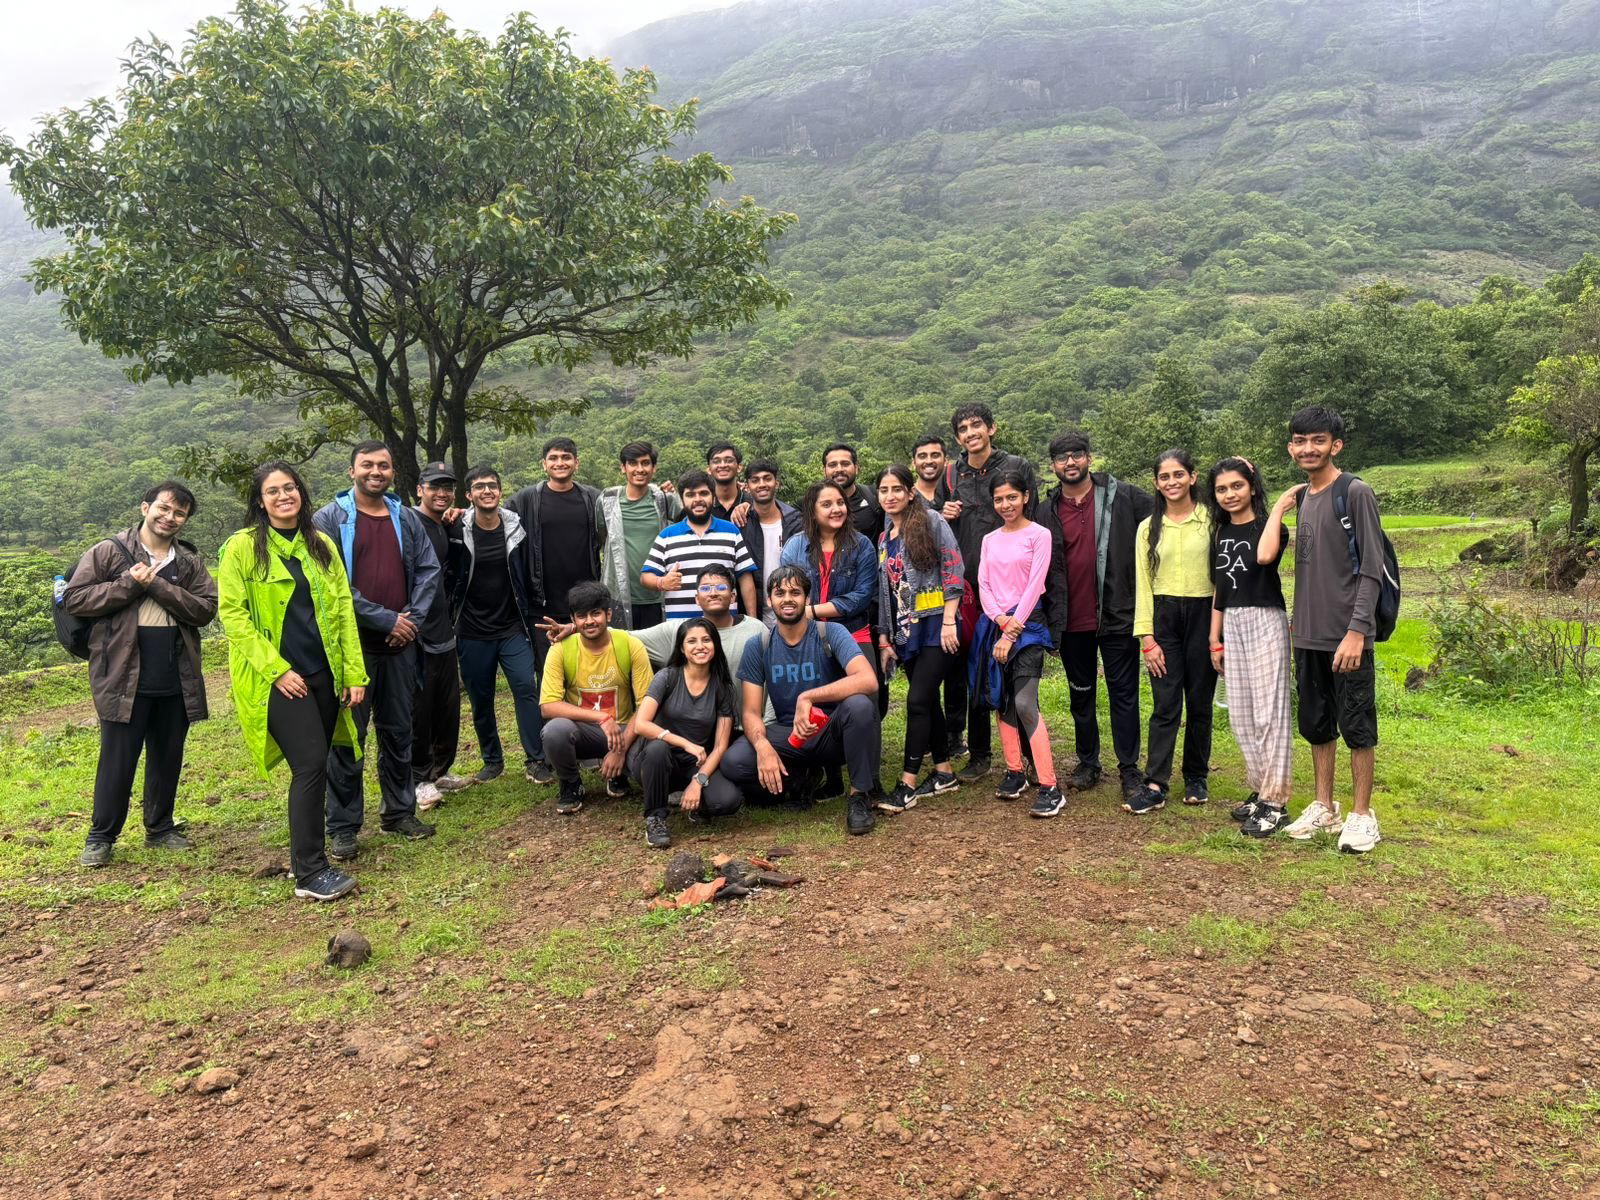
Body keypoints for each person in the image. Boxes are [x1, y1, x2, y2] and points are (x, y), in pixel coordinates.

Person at [216, 462, 367, 902]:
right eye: (273, 491)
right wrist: (277, 669)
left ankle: (311, 861)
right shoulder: (242, 548)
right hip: (278, 680)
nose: (284, 496)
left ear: (301, 492)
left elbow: (342, 610)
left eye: (290, 487)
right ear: (260, 501)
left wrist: (353, 672)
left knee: (319, 762)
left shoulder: (320, 544)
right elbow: (233, 616)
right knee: (310, 764)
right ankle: (309, 871)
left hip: (324, 673)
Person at [67, 481, 218, 868]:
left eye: (179, 513)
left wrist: (158, 586)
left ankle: (160, 827)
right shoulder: (108, 551)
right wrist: (129, 583)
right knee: (117, 759)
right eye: (164, 508)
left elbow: (205, 608)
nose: (170, 517)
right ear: (145, 507)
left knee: (168, 755)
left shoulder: (187, 561)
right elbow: (76, 598)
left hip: (175, 670)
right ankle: (101, 836)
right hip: (122, 671)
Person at [313, 441, 441, 860]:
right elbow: (329, 584)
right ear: (351, 471)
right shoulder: (329, 519)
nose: (375, 472)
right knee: (348, 739)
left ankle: (399, 812)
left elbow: (428, 570)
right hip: (352, 649)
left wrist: (410, 621)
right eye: (366, 465)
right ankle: (343, 827)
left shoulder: (406, 517)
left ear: (393, 472)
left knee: (398, 731)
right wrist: (386, 619)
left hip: (400, 647)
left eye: (383, 465)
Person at [1273, 405, 1385, 853]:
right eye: (1300, 441)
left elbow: (1372, 569)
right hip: (1308, 634)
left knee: (1357, 725)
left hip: (1347, 636)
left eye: (1318, 440)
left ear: (1335, 445)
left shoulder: (1354, 492)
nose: (1308, 448)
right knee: (1317, 724)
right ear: (1290, 447)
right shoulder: (1303, 498)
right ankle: (1324, 806)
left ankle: (1362, 815)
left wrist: (1358, 630)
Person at [1036, 431, 1154, 803]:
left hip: (1117, 614)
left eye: (1077, 454)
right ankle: (1088, 762)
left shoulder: (1125, 497)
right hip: (1071, 620)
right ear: (1053, 465)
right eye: (1062, 457)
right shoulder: (1045, 510)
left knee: (1124, 694)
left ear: (1089, 457)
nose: (1070, 462)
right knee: (1081, 695)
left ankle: (1129, 768)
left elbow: (1168, 516)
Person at [721, 566, 883, 835]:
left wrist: (808, 696)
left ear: (807, 599)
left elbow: (868, 680)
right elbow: (750, 711)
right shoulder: (759, 645)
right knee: (734, 761)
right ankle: (798, 778)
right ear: (769, 600)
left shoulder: (831, 632)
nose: (787, 599)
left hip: (833, 733)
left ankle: (859, 796)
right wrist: (762, 746)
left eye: (795, 592)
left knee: (860, 706)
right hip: (790, 736)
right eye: (780, 593)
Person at [935, 403, 1037, 782]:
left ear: (991, 428)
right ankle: (980, 754)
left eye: (976, 425)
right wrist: (943, 512)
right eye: (962, 428)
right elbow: (938, 528)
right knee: (974, 670)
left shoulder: (1015, 467)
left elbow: (1032, 527)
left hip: (1013, 589)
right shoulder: (951, 475)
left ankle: (1030, 754)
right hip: (968, 591)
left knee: (1017, 671)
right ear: (958, 437)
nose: (970, 433)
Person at [973, 470, 1068, 817]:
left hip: (1028, 626)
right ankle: (1015, 770)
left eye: (1012, 497)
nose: (1006, 504)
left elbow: (1035, 584)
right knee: (1003, 700)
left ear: (1026, 497)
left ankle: (1050, 786)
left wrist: (1012, 630)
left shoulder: (1039, 535)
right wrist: (1000, 621)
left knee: (1025, 703)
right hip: (995, 625)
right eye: (999, 499)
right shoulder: (989, 539)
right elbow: (984, 584)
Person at [1207, 457, 1293, 838]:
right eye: (1222, 489)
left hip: (1265, 619)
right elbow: (1219, 588)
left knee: (1269, 713)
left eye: (1237, 486)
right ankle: (1261, 790)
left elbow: (1264, 556)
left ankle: (1276, 803)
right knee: (1241, 714)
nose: (1229, 494)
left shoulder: (1271, 527)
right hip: (1233, 622)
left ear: (1252, 487)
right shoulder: (1220, 533)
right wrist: (1214, 638)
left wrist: (1278, 508)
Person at [451, 466, 551, 787]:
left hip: (512, 628)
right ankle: (492, 761)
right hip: (472, 631)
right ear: (469, 495)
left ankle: (536, 759)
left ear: (500, 490)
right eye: (479, 487)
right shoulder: (456, 530)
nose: (487, 491)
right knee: (481, 699)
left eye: (492, 486)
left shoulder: (515, 529)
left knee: (526, 688)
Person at [1129, 449, 1216, 814]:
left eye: (1178, 474)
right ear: (1156, 483)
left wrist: (1218, 633)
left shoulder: (1211, 520)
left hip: (1204, 614)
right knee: (1165, 703)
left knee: (1199, 702)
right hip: (1164, 618)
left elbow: (1221, 578)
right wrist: (1147, 639)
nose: (1172, 482)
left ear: (1192, 477)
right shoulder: (1148, 528)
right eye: (1164, 477)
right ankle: (1155, 782)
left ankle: (1196, 776)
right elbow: (1143, 584)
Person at [875, 465, 964, 813]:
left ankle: (907, 783)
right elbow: (887, 591)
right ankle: (944, 772)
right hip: (906, 631)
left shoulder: (931, 521)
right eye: (884, 490)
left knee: (916, 701)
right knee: (927, 701)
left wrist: (949, 620)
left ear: (910, 492)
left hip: (936, 625)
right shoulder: (884, 538)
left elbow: (953, 567)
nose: (890, 496)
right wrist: (886, 638)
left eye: (897, 489)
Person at [538, 581, 654, 815]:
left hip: (624, 730)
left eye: (595, 613)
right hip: (583, 732)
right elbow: (548, 706)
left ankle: (619, 772)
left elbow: (646, 704)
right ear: (573, 619)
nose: (589, 621)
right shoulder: (561, 649)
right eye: (582, 616)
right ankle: (571, 783)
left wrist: (620, 750)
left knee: (647, 772)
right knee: (554, 731)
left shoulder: (629, 645)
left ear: (608, 614)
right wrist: (601, 717)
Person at [628, 617, 743, 848]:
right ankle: (655, 818)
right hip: (656, 760)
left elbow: (720, 746)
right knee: (658, 749)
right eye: (692, 641)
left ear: (715, 644)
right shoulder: (667, 677)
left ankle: (694, 801)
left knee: (727, 800)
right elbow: (641, 724)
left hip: (695, 763)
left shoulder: (722, 687)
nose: (700, 646)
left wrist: (698, 781)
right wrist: (684, 743)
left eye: (706, 640)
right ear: (682, 648)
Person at [506, 436, 600, 667]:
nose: (560, 463)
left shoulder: (593, 498)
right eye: (553, 458)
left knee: (588, 671)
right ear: (544, 464)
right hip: (542, 606)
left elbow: (625, 508)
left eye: (566, 457)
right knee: (548, 673)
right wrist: (461, 514)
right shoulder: (526, 499)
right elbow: (493, 518)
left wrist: (659, 494)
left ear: (576, 463)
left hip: (585, 605)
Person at [412, 462, 467, 810]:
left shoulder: (444, 524)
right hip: (416, 631)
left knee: (447, 706)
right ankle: (419, 779)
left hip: (444, 626)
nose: (441, 493)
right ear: (420, 489)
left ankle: (440, 770)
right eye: (434, 487)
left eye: (447, 487)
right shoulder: (409, 523)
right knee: (420, 708)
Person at [641, 470, 759, 619]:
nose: (697, 499)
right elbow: (645, 576)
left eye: (703, 493)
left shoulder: (731, 531)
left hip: (724, 625)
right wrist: (661, 582)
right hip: (681, 627)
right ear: (682, 500)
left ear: (713, 498)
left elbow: (745, 578)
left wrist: (753, 620)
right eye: (690, 495)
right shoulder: (667, 536)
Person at [598, 440, 682, 631]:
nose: (639, 469)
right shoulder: (607, 502)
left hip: (659, 593)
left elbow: (686, 528)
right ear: (623, 468)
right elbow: (600, 537)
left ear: (654, 468)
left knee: (657, 648)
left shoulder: (664, 500)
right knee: (621, 647)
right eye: (633, 463)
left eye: (645, 463)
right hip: (618, 596)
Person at [739, 457, 802, 619]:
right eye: (755, 480)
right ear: (747, 487)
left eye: (767, 478)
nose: (762, 484)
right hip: (756, 614)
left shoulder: (796, 522)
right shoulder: (741, 524)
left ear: (777, 483)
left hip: (793, 611)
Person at [823, 443, 884, 541]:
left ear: (856, 468)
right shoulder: (812, 503)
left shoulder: (875, 496)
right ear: (824, 471)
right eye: (832, 465)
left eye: (845, 464)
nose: (839, 469)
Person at [706, 442, 747, 520]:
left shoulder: (751, 504)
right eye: (716, 461)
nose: (723, 465)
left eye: (729, 460)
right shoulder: (703, 506)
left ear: (739, 467)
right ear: (709, 469)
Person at [911, 434, 948, 509]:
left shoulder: (955, 493)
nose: (929, 461)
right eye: (922, 456)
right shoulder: (905, 497)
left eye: (935, 455)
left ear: (945, 461)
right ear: (914, 463)